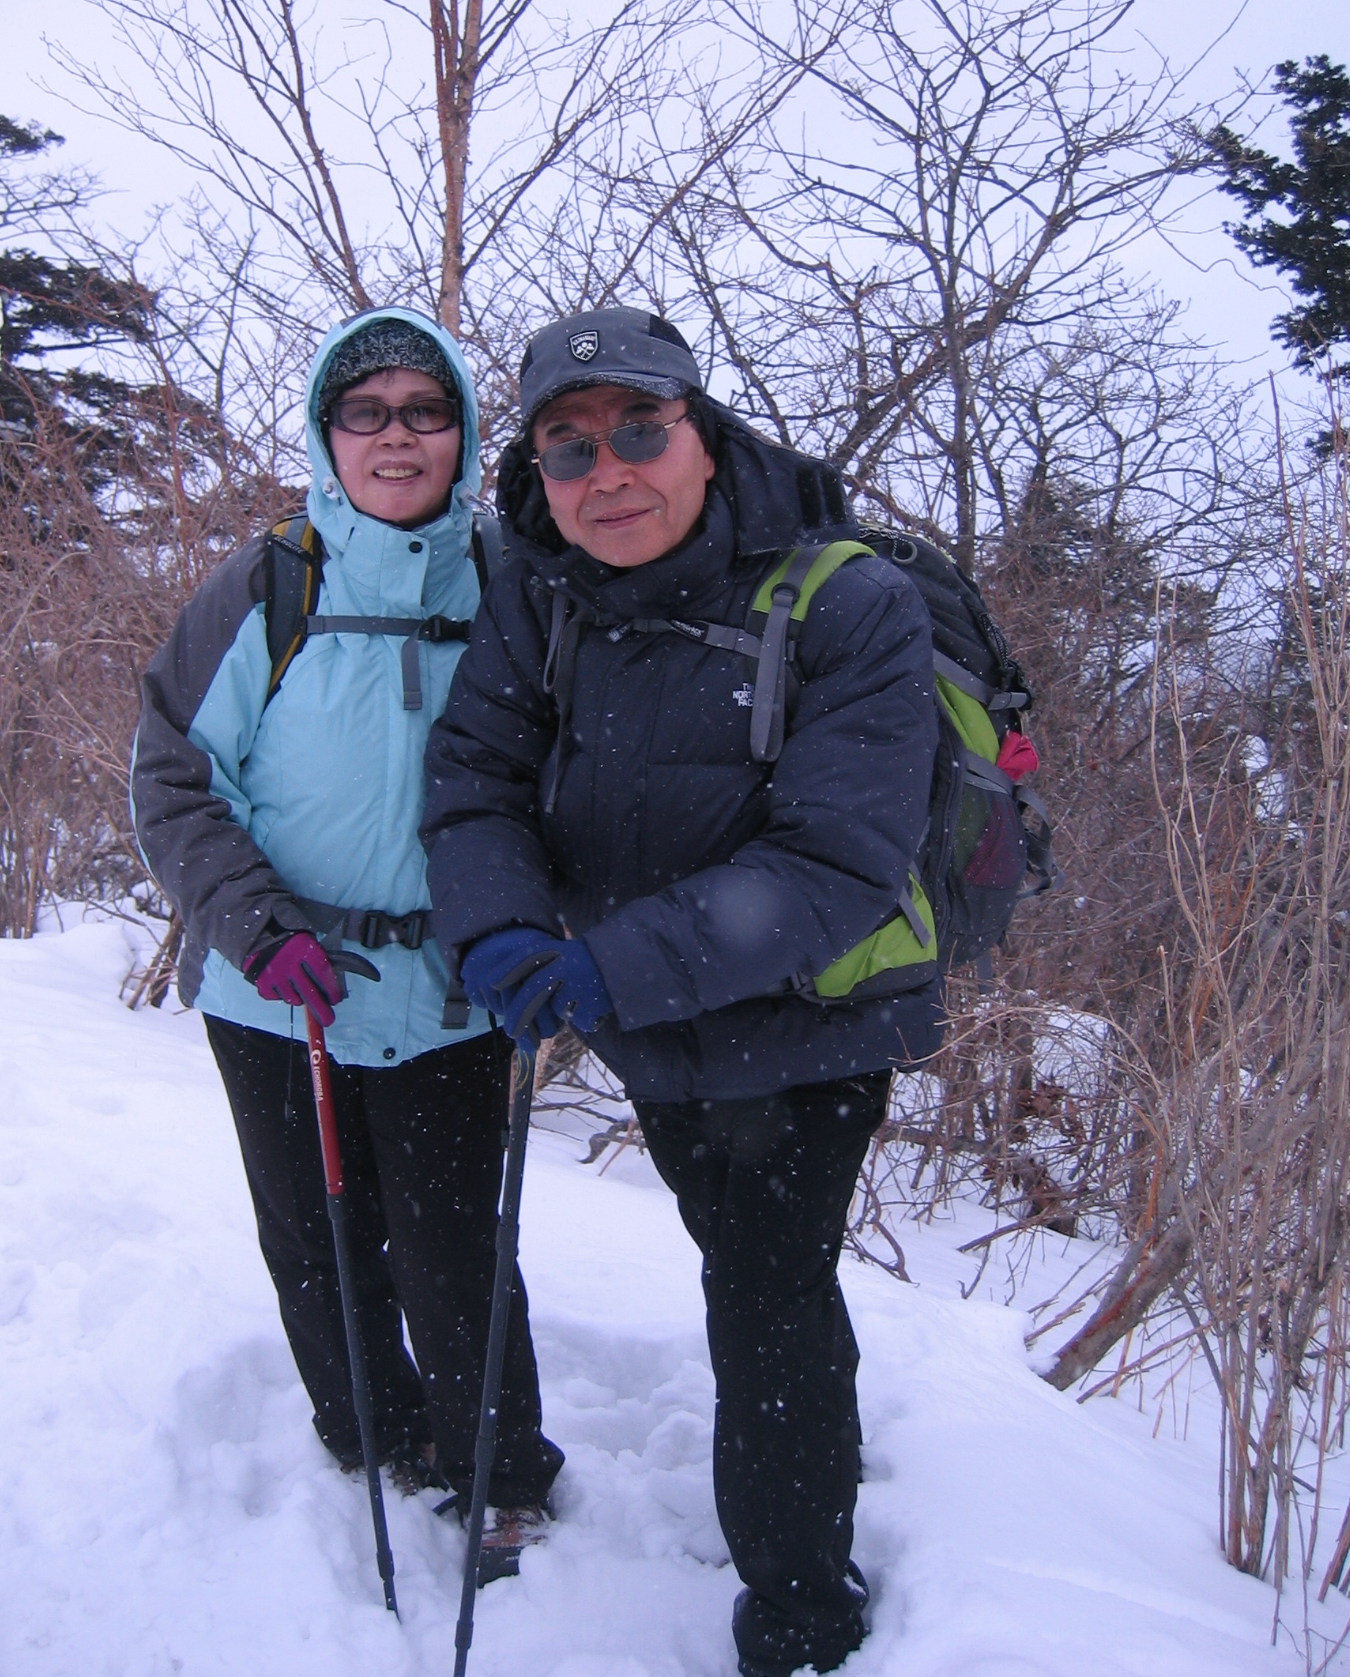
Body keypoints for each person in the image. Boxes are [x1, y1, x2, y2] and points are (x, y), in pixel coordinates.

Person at [419, 303, 941, 1677]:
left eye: (640, 432)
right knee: (739, 1260)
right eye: (570, 448)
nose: (610, 474)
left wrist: (604, 966)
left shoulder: (849, 602)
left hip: (808, 1018)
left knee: (768, 1288)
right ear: (538, 474)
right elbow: (474, 777)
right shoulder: (542, 594)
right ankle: (795, 1481)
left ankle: (802, 1607)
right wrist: (500, 930)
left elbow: (835, 861)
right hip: (644, 1015)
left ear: (703, 435)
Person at [130, 307, 563, 1576]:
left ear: (463, 432)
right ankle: (368, 1430)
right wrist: (255, 926)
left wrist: (535, 928)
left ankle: (495, 1465)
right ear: (328, 434)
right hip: (279, 984)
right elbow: (174, 775)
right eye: (365, 411)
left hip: (452, 988)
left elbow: (573, 771)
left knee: (454, 1244)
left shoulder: (515, 584)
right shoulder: (270, 581)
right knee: (315, 1236)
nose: (396, 435)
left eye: (424, 410)